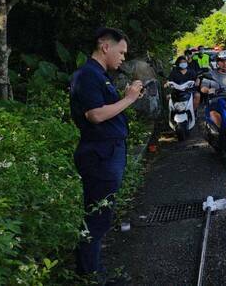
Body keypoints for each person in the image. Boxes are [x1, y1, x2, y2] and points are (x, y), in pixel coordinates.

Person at [69, 27, 144, 281]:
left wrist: (123, 98)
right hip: (100, 155)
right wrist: (130, 99)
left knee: (100, 213)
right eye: (121, 52)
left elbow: (105, 109)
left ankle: (87, 268)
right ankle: (91, 274)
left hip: (107, 152)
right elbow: (95, 114)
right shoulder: (88, 74)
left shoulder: (100, 75)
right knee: (98, 216)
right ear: (105, 46)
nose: (123, 57)